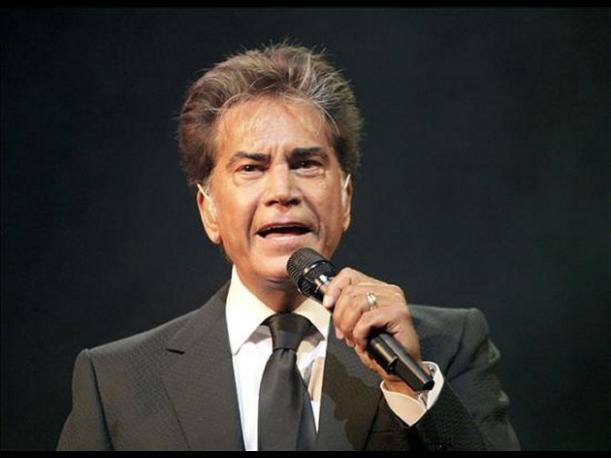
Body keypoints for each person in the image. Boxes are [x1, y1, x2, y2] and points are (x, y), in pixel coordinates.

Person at [57, 43, 520, 451]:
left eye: (306, 164)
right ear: (209, 210)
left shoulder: (446, 346)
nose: (282, 191)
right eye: (251, 168)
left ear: (345, 198)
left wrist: (411, 387)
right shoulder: (117, 380)